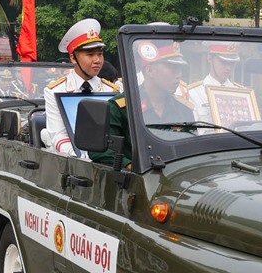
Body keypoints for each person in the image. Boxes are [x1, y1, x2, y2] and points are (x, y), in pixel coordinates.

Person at [90, 40, 193, 168]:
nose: (179, 75)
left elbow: (192, 150)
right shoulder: (120, 108)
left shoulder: (183, 110)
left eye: (180, 69)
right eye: (172, 68)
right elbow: (100, 151)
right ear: (149, 70)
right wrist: (131, 166)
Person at [42, 18, 121, 156]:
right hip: (75, 165)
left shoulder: (112, 90)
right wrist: (83, 157)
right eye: (90, 54)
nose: (97, 60)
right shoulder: (55, 91)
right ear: (73, 58)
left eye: (100, 54)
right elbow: (58, 137)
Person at [182, 42, 241, 123]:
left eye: (232, 62)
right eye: (223, 61)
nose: (228, 67)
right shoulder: (193, 94)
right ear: (209, 59)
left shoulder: (240, 94)